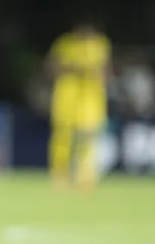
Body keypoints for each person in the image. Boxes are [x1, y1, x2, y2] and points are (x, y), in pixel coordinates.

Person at [45, 16, 111, 191]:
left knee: (88, 135)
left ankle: (85, 175)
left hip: (91, 95)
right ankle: (59, 174)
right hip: (67, 93)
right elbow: (52, 67)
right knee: (63, 135)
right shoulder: (65, 44)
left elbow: (104, 69)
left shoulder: (100, 44)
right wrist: (76, 69)